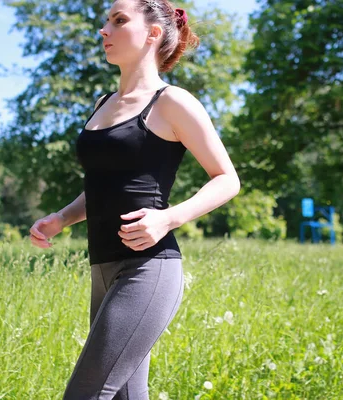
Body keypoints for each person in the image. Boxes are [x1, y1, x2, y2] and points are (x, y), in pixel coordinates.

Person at [28, 0, 240, 398]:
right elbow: (102, 187)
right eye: (106, 21)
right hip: (102, 269)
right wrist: (61, 218)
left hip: (148, 268)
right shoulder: (103, 104)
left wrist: (168, 218)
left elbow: (227, 179)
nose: (104, 30)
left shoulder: (172, 102)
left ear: (153, 33)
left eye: (119, 20)